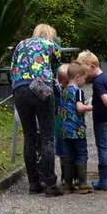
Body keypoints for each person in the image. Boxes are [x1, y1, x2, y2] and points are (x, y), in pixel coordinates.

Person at [11, 24, 63, 196]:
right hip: (41, 89)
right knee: (47, 137)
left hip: (19, 90)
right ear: (51, 35)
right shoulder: (52, 46)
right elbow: (55, 72)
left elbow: (13, 69)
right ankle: (50, 184)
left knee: (29, 137)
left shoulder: (20, 45)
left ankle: (33, 182)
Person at [76, 49, 107, 191]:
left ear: (92, 66)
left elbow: (106, 100)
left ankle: (104, 180)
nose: (86, 76)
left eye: (86, 72)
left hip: (102, 118)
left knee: (102, 148)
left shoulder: (97, 81)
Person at [57, 61, 94, 193]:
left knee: (69, 155)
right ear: (78, 77)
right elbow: (79, 107)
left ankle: (68, 185)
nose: (85, 81)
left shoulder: (63, 90)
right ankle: (83, 183)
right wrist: (91, 107)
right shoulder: (78, 91)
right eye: (84, 78)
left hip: (65, 130)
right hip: (77, 130)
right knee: (82, 154)